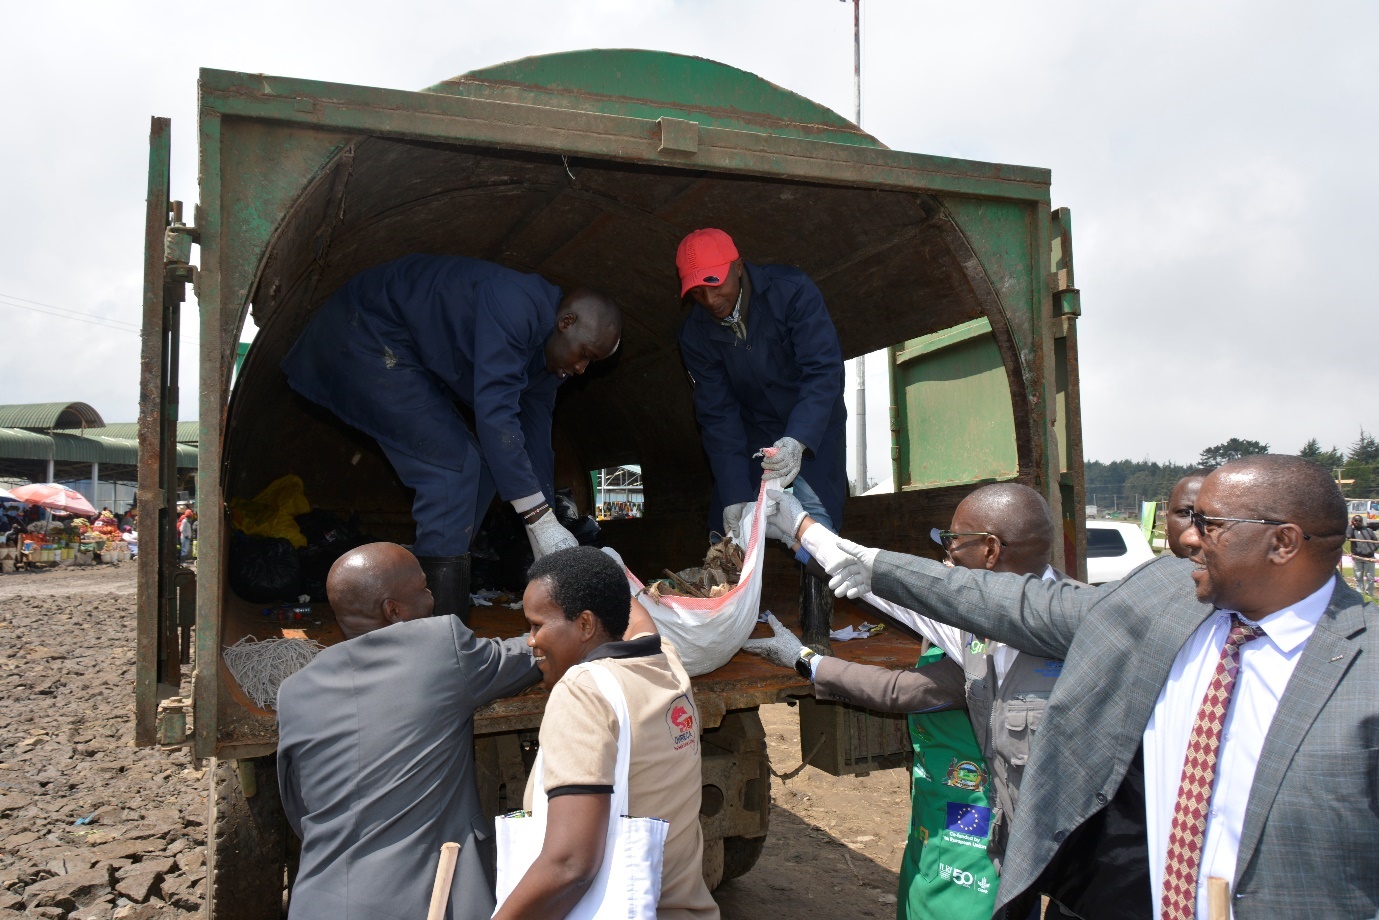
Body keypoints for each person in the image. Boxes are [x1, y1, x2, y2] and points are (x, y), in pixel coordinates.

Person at [822, 455, 1377, 918]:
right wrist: (868, 564)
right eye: (1190, 519)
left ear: (1283, 542)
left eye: (1210, 525)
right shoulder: (1164, 599)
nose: (1186, 537)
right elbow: (1016, 602)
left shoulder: (1364, 673)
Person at [748, 482, 1073, 920]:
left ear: (992, 551)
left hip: (992, 845)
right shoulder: (1047, 611)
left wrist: (805, 661)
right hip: (978, 829)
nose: (946, 551)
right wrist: (798, 525)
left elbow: (899, 689)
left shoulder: (1044, 627)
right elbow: (884, 585)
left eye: (954, 540)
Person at [282, 254, 623, 619]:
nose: (581, 368)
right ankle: (436, 627)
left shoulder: (549, 367)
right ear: (565, 322)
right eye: (584, 354)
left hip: (408, 356)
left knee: (492, 467)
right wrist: (537, 519)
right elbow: (496, 417)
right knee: (452, 468)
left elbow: (534, 445)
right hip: (367, 333)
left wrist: (549, 534)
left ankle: (423, 580)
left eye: (591, 364)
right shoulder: (514, 306)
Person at [277, 542, 541, 920]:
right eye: (423, 587)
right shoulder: (439, 647)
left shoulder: (295, 691)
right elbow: (535, 651)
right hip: (422, 901)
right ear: (393, 611)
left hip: (319, 902)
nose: (432, 594)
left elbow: (298, 807)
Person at [494, 546, 717, 920]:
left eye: (536, 625)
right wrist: (604, 574)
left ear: (584, 624)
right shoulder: (667, 665)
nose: (530, 640)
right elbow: (640, 622)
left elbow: (570, 865)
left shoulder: (584, 690)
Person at [675, 227, 846, 647]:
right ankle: (728, 634)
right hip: (750, 434)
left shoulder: (792, 291)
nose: (710, 301)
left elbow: (823, 371)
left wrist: (799, 440)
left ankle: (817, 634)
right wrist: (735, 492)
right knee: (729, 532)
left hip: (812, 423)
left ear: (737, 267)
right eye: (697, 293)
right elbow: (717, 416)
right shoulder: (694, 333)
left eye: (715, 287)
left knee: (817, 524)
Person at [1164, 471, 1209, 558]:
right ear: (1166, 521)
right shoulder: (1150, 570)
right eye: (1185, 513)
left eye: (1208, 516)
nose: (1193, 539)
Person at [1347, 513, 1377, 595]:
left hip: (1369, 557)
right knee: (1358, 577)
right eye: (1356, 521)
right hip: (1357, 558)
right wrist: (1350, 525)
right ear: (1353, 521)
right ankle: (1359, 593)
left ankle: (1369, 594)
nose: (1358, 522)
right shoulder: (1352, 531)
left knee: (1370, 577)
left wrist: (1371, 550)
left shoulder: (1368, 530)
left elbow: (1376, 542)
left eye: (1359, 521)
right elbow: (1348, 536)